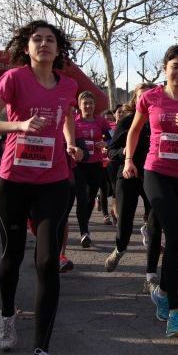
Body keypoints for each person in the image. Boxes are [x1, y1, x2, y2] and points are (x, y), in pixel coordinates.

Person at [0, 20, 81, 355]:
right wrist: (17, 127)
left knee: (48, 261)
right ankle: (7, 316)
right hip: (14, 181)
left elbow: (65, 115)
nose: (44, 44)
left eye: (50, 39)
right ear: (26, 47)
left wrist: (68, 141)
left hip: (53, 181)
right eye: (37, 39)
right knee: (12, 256)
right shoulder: (15, 79)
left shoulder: (68, 84)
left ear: (58, 47)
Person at [122, 45, 178, 338]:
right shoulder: (150, 97)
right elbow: (134, 130)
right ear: (165, 68)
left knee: (176, 240)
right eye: (176, 65)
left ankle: (162, 290)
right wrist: (128, 160)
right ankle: (175, 312)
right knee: (174, 235)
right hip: (156, 172)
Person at [104, 83, 153, 274]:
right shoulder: (127, 122)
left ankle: (151, 264)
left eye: (149, 96)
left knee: (156, 217)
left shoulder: (160, 121)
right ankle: (120, 248)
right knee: (125, 220)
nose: (145, 100)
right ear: (135, 100)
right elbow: (111, 151)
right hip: (128, 174)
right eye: (141, 96)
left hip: (153, 176)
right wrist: (125, 152)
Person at [73, 91, 111, 247]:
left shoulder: (100, 121)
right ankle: (84, 232)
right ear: (79, 105)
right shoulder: (73, 121)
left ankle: (85, 223)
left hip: (95, 164)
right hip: (78, 165)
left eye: (91, 103)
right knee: (82, 197)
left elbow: (111, 136)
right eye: (85, 103)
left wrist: (106, 144)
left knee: (90, 197)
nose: (88, 106)